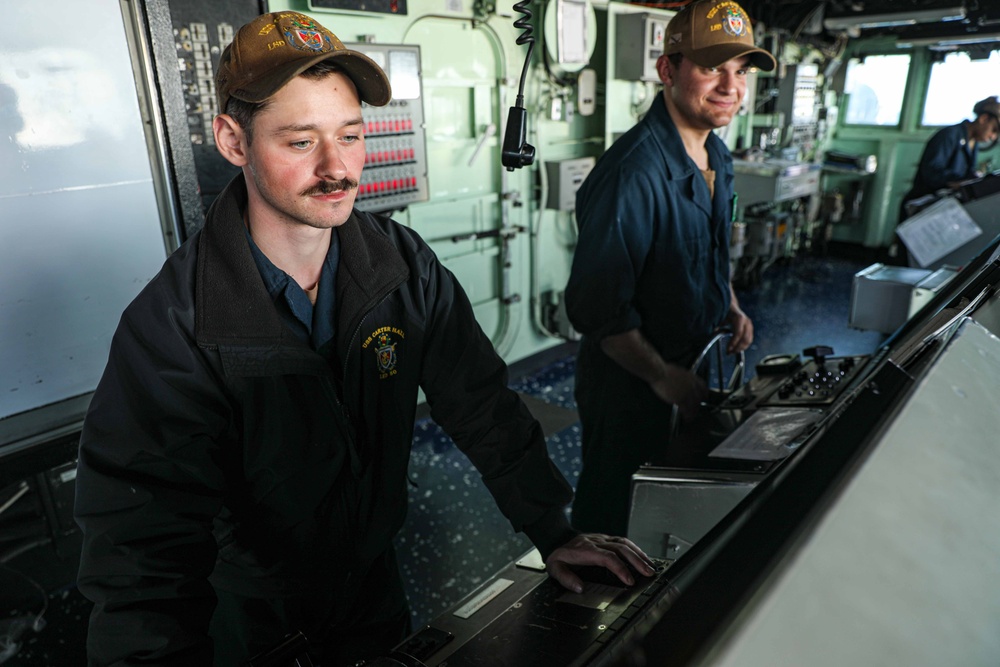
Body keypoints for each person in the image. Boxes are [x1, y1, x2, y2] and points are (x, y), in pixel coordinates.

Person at [73, 11, 654, 666]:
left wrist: (554, 529)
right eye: (300, 143)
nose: (337, 168)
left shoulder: (400, 265)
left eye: (350, 136)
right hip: (251, 619)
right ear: (233, 142)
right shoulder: (174, 326)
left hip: (374, 588)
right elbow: (141, 555)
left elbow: (480, 402)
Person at [564, 0, 774, 537]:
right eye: (711, 67)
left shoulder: (717, 157)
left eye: (741, 70)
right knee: (616, 509)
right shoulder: (631, 175)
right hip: (631, 384)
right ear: (668, 69)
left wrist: (728, 302)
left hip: (689, 366)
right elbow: (599, 311)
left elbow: (708, 245)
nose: (731, 86)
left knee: (671, 506)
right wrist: (663, 377)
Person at [900, 96, 1000, 217]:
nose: (992, 137)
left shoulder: (973, 142)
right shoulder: (949, 135)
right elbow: (931, 173)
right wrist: (958, 181)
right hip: (920, 206)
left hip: (943, 207)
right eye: (993, 130)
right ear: (984, 119)